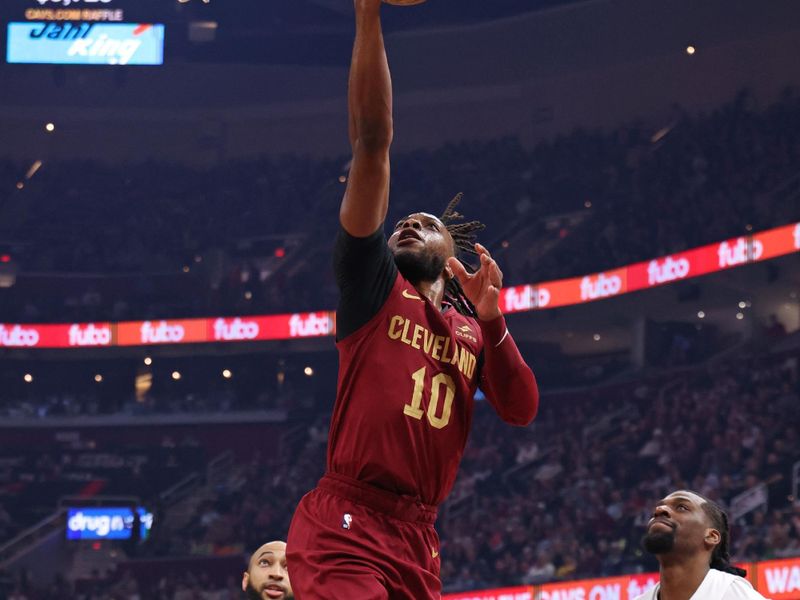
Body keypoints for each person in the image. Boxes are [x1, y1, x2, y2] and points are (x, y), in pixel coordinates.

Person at [286, 1, 540, 598]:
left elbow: (522, 408)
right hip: (346, 522)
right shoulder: (373, 285)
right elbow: (372, 143)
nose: (407, 224)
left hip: (418, 536)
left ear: (453, 250)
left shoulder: (472, 331)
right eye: (400, 222)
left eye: (424, 222)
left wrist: (494, 322)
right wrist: (368, 14)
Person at [635, 490, 767, 600]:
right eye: (658, 507)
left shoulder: (735, 595)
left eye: (682, 507)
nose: (659, 509)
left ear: (711, 536)